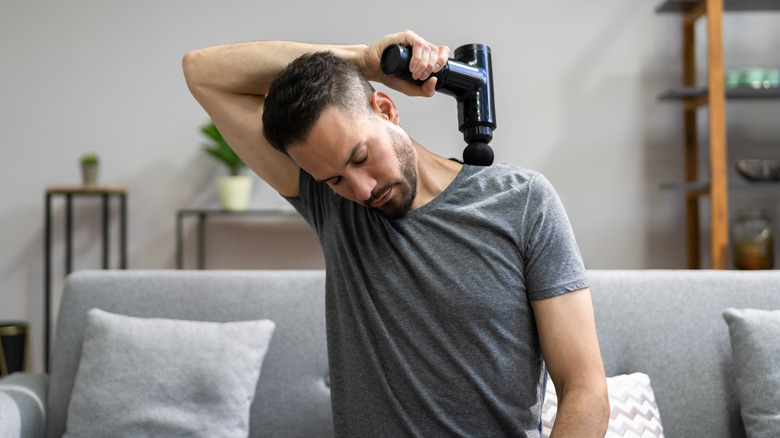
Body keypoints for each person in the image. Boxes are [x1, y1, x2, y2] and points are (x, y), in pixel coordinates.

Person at [183, 30, 609, 437]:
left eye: (362, 156)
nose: (361, 189)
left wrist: (365, 69)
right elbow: (202, 71)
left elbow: (585, 391)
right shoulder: (334, 208)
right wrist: (364, 59)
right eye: (334, 179)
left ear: (385, 109)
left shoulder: (523, 201)